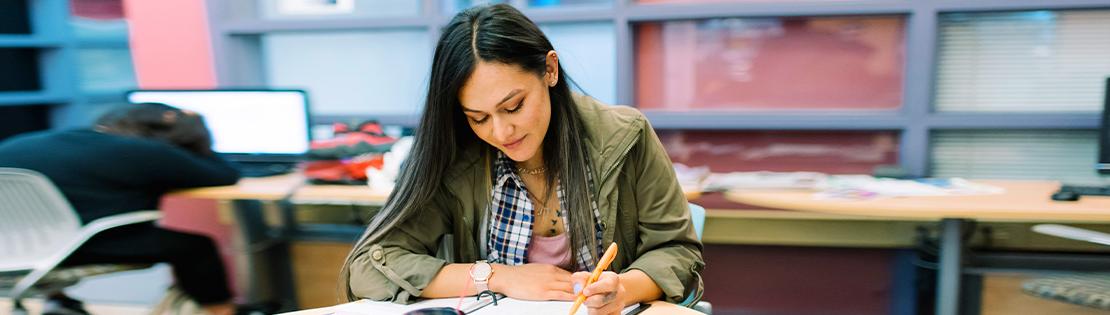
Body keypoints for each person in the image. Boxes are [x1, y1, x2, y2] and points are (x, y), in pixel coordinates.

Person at [340, 4, 704, 314]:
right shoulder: (459, 156)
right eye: (478, 117)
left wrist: (622, 290)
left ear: (549, 70)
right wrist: (498, 277)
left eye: (513, 106)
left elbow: (676, 250)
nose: (501, 133)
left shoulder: (625, 135)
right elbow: (371, 263)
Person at [0, 103, 242, 315]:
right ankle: (221, 311)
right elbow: (224, 175)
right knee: (195, 246)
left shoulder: (20, 144)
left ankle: (60, 302)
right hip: (76, 248)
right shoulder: (142, 150)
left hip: (9, 251)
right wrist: (196, 134)